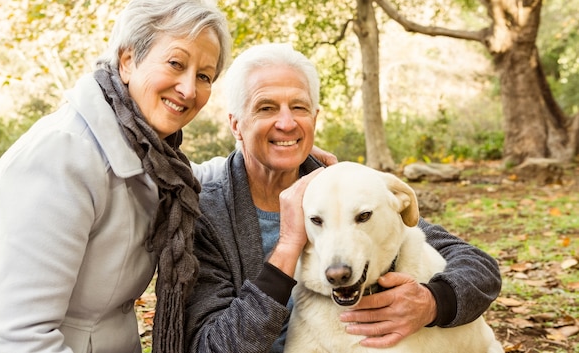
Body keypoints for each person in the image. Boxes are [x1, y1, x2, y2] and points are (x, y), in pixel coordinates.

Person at [0, 0, 232, 353]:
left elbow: (192, 178)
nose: (188, 89)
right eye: (176, 63)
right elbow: (21, 338)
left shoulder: (152, 155)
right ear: (128, 60)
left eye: (204, 75)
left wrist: (278, 158)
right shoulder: (62, 158)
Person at [186, 43, 502, 352]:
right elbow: (212, 346)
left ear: (314, 118)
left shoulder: (344, 188)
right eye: (266, 108)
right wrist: (287, 247)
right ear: (236, 124)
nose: (286, 123)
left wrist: (432, 302)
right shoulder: (209, 213)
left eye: (299, 108)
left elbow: (480, 269)